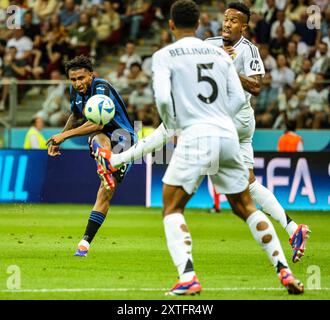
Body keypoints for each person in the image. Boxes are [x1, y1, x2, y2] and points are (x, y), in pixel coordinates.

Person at [94, 0, 304, 296]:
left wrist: (177, 122)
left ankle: (188, 276)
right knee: (245, 205)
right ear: (199, 24)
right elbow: (234, 98)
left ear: (170, 25)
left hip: (198, 134)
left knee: (172, 206)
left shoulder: (165, 55)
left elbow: (164, 100)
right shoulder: (219, 54)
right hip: (228, 133)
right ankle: (284, 270)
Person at [205, 1, 310, 263]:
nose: (228, 23)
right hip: (234, 122)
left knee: (201, 161)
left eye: (234, 21)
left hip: (235, 119)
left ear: (244, 26)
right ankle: (293, 229)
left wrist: (228, 68)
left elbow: (257, 86)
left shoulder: (249, 50)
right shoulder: (209, 44)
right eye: (226, 19)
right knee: (249, 183)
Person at [47, 55, 137, 257]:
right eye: (73, 79)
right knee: (105, 188)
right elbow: (76, 115)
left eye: (81, 78)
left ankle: (105, 161)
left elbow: (98, 123)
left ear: (91, 75)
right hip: (105, 139)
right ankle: (84, 244)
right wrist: (59, 138)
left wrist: (63, 136)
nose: (78, 83)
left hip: (124, 138)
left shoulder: (101, 87)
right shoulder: (75, 91)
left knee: (97, 136)